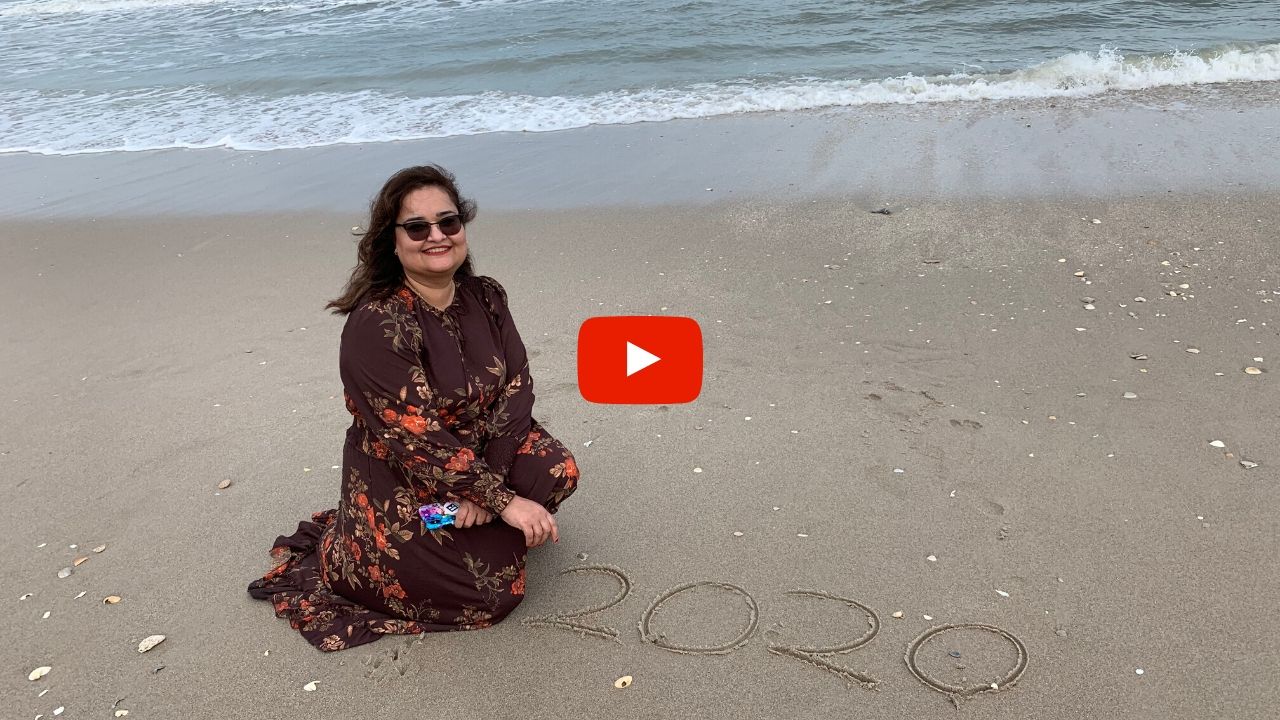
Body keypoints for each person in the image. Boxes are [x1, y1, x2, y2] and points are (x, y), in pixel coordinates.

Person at [248, 165, 579, 651]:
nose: (437, 236)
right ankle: (397, 537)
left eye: (448, 222)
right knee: (491, 596)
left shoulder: (486, 295)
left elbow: (517, 387)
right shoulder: (377, 323)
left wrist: (488, 486)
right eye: (418, 227)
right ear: (393, 240)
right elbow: (416, 439)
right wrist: (504, 501)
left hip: (478, 461)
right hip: (406, 477)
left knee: (556, 469)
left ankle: (469, 526)